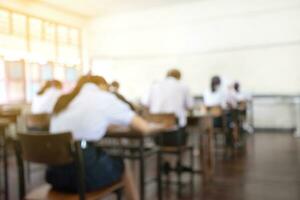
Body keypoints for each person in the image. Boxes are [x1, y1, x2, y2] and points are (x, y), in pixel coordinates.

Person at [48, 75, 164, 199]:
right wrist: (163, 126)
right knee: (121, 164)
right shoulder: (104, 98)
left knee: (100, 158)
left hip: (54, 177)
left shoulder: (65, 101)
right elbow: (144, 128)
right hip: (83, 177)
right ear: (102, 85)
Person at [142, 69, 194, 173]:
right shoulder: (183, 86)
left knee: (162, 140)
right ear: (179, 77)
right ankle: (177, 163)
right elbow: (190, 106)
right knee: (184, 130)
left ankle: (165, 163)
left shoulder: (154, 85)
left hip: (156, 134)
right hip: (175, 136)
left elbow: (145, 103)